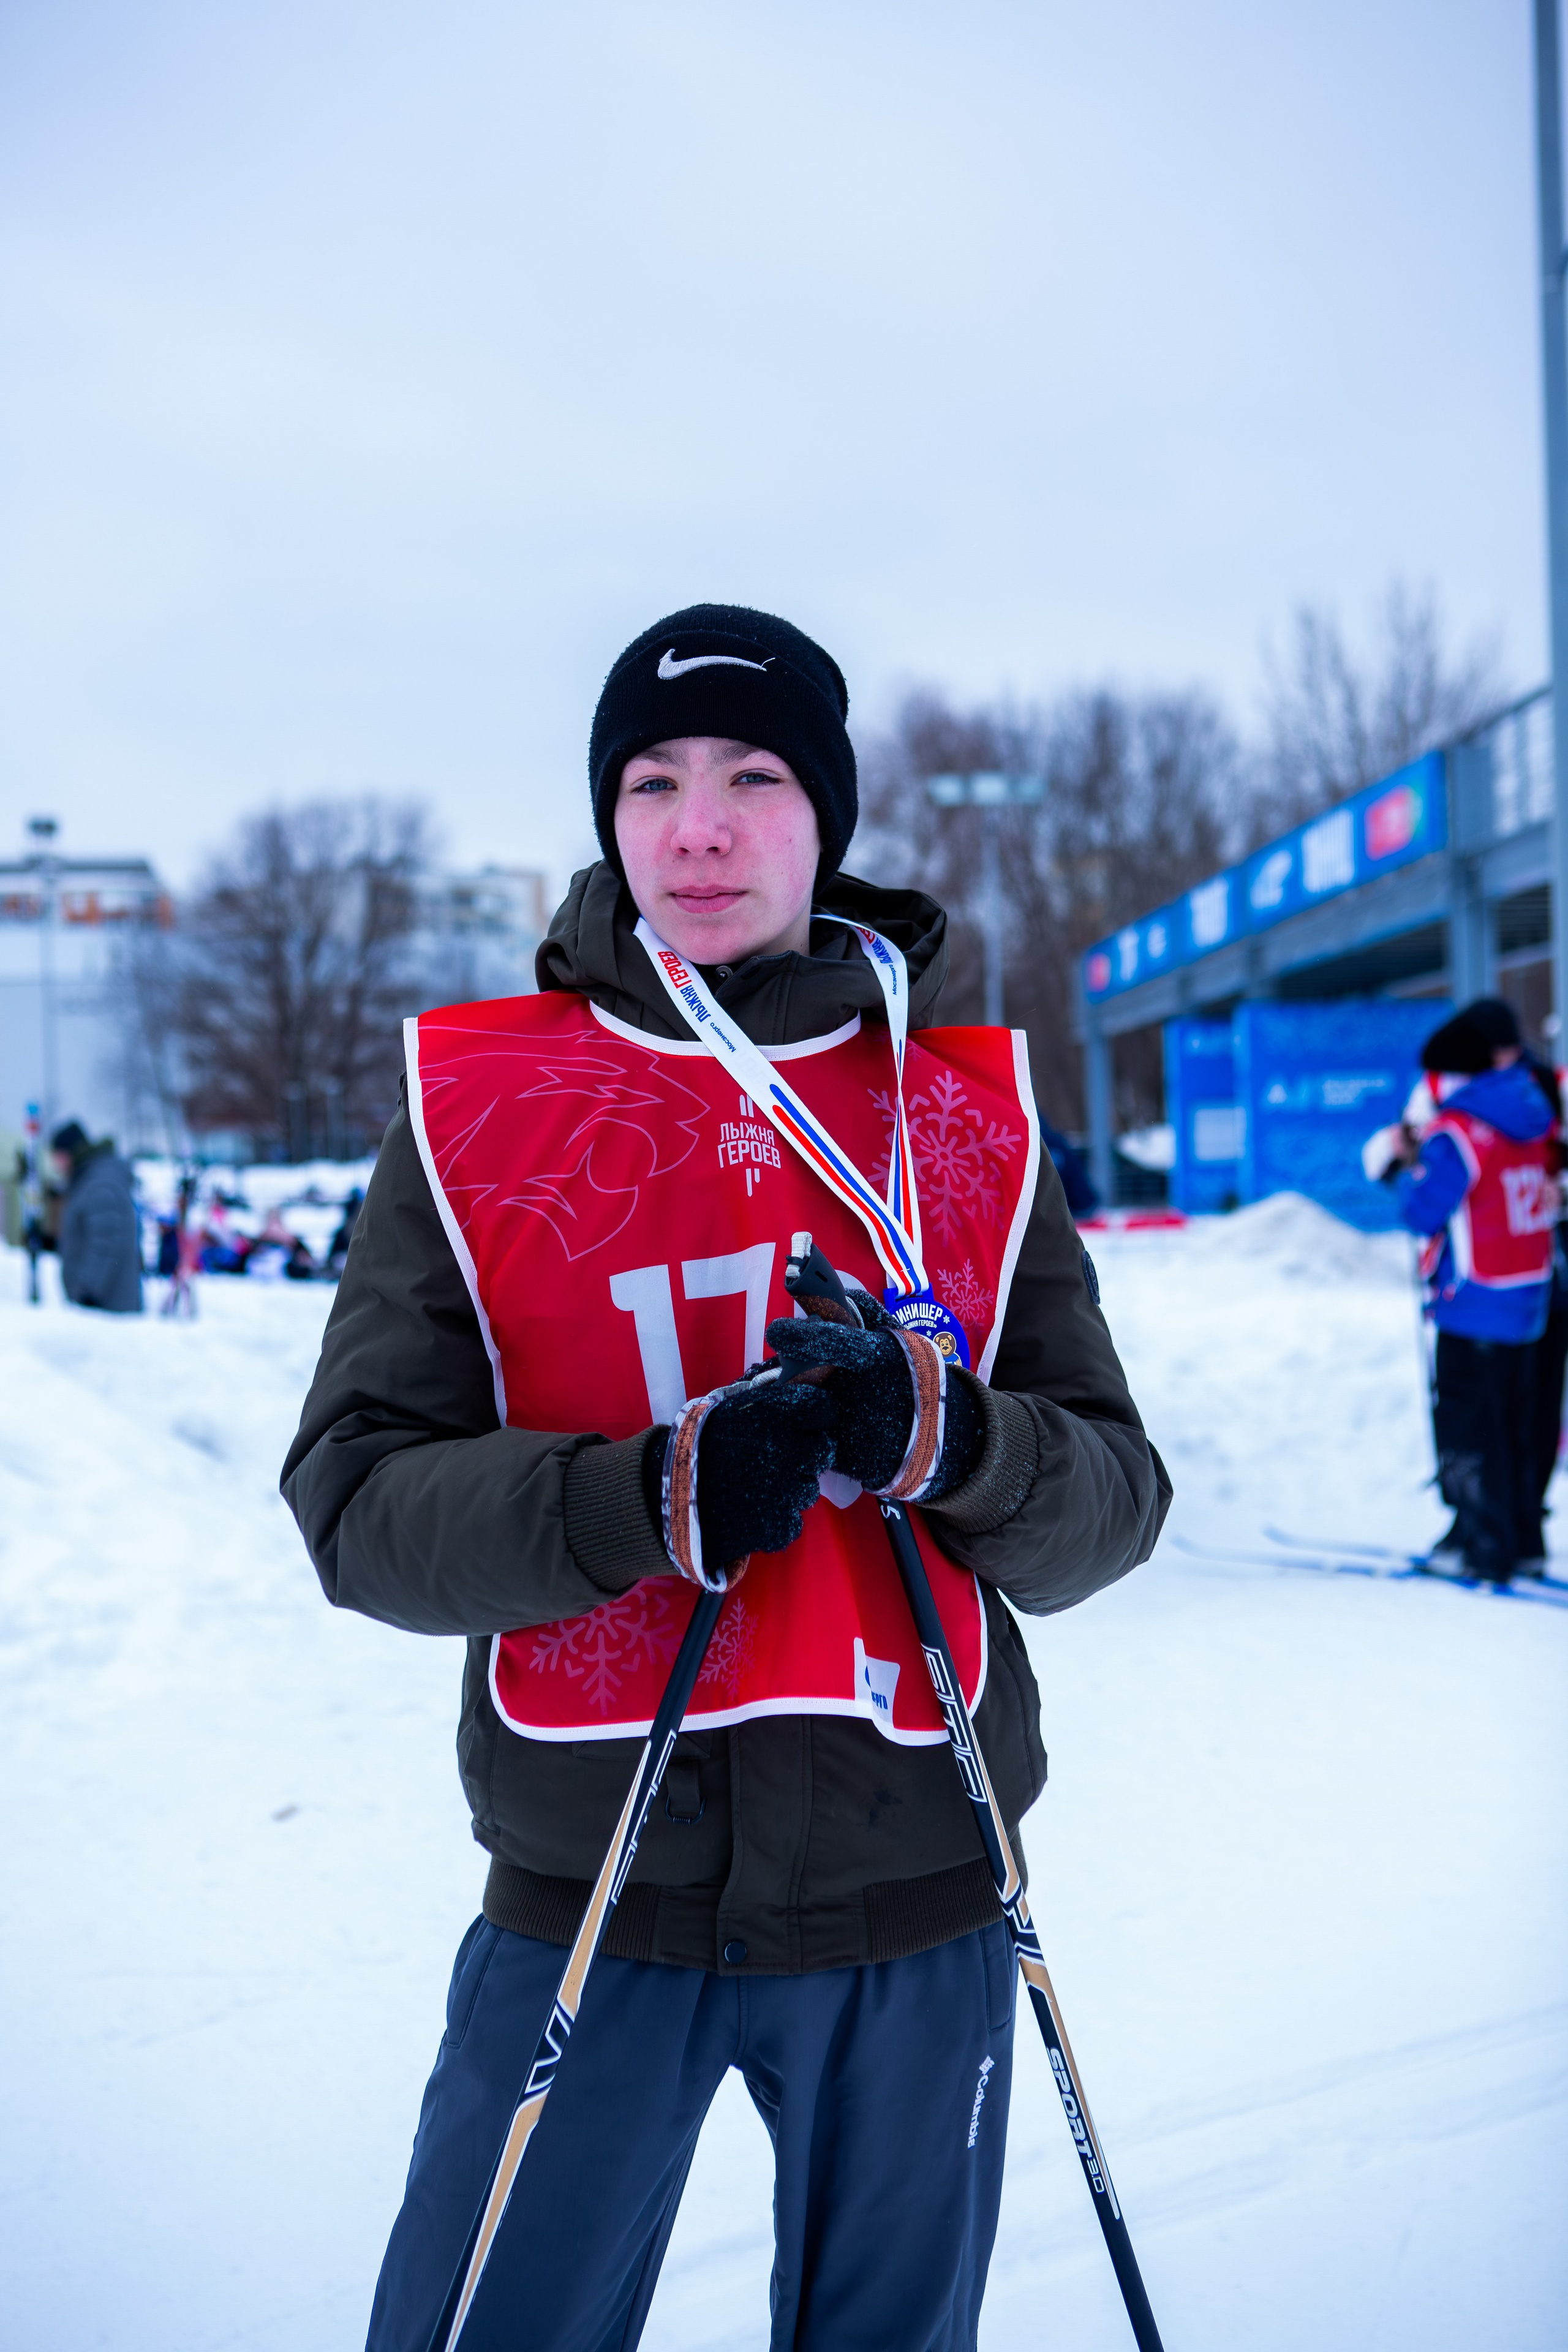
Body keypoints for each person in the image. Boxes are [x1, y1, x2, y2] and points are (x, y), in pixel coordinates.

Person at [282, 603, 1170, 2352]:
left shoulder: (960, 1117)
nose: (701, 822)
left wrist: (950, 1442)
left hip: (920, 1889)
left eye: (757, 776)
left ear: (824, 816)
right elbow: (356, 1507)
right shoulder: (475, 1103)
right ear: (609, 819)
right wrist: (643, 1501)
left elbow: (1113, 1500)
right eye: (654, 779)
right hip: (594, 1900)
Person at [1379, 1000, 1556, 1582]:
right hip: (1529, 1296)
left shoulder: (1457, 1132)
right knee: (1519, 1424)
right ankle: (1524, 1540)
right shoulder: (1534, 1111)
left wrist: (1406, 1166)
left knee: (1470, 1428)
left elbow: (1422, 1211)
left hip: (1473, 1303)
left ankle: (1484, 1548)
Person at [48, 1119, 144, 1314]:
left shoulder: (100, 1182)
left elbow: (106, 1243)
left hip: (108, 1312)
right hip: (102, 1309)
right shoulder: (90, 1178)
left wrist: (87, 1293)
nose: (56, 1165)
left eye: (58, 1157)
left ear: (71, 1152)